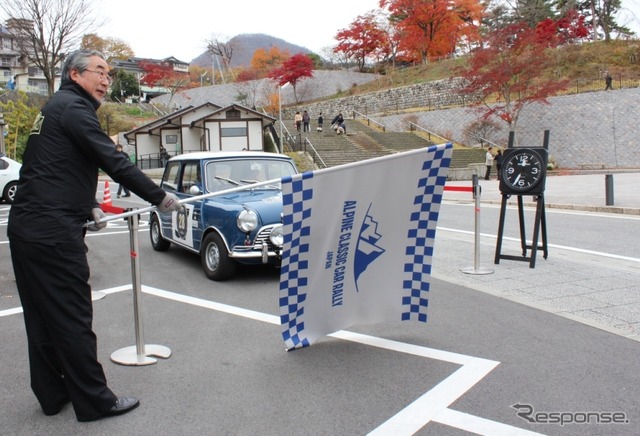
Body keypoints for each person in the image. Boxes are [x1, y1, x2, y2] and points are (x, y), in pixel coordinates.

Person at [7, 49, 181, 423]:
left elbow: (54, 165)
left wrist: (89, 204)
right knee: (72, 316)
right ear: (75, 74)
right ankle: (95, 401)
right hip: (52, 230)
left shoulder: (56, 108)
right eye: (99, 71)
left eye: (109, 73)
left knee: (41, 317)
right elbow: (112, 160)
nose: (106, 79)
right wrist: (160, 197)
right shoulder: (74, 109)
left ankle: (54, 395)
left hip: (29, 225)